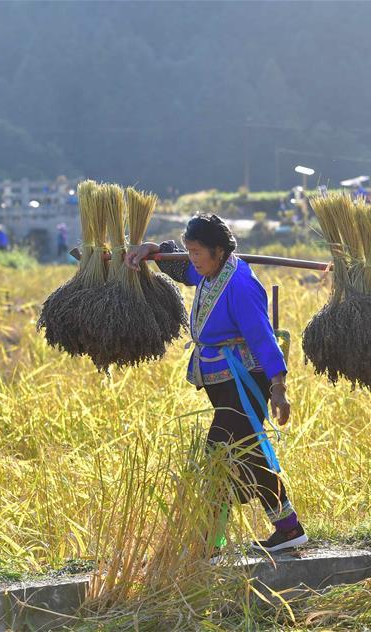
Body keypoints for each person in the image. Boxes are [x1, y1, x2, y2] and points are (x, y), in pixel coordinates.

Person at [126, 214, 307, 553]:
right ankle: (288, 528)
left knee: (217, 456)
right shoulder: (212, 272)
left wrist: (279, 389)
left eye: (196, 252)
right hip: (222, 381)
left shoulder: (240, 285)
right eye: (189, 251)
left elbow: (263, 338)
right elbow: (186, 271)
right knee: (249, 456)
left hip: (245, 383)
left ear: (219, 251)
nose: (191, 258)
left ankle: (209, 541)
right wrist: (155, 250)